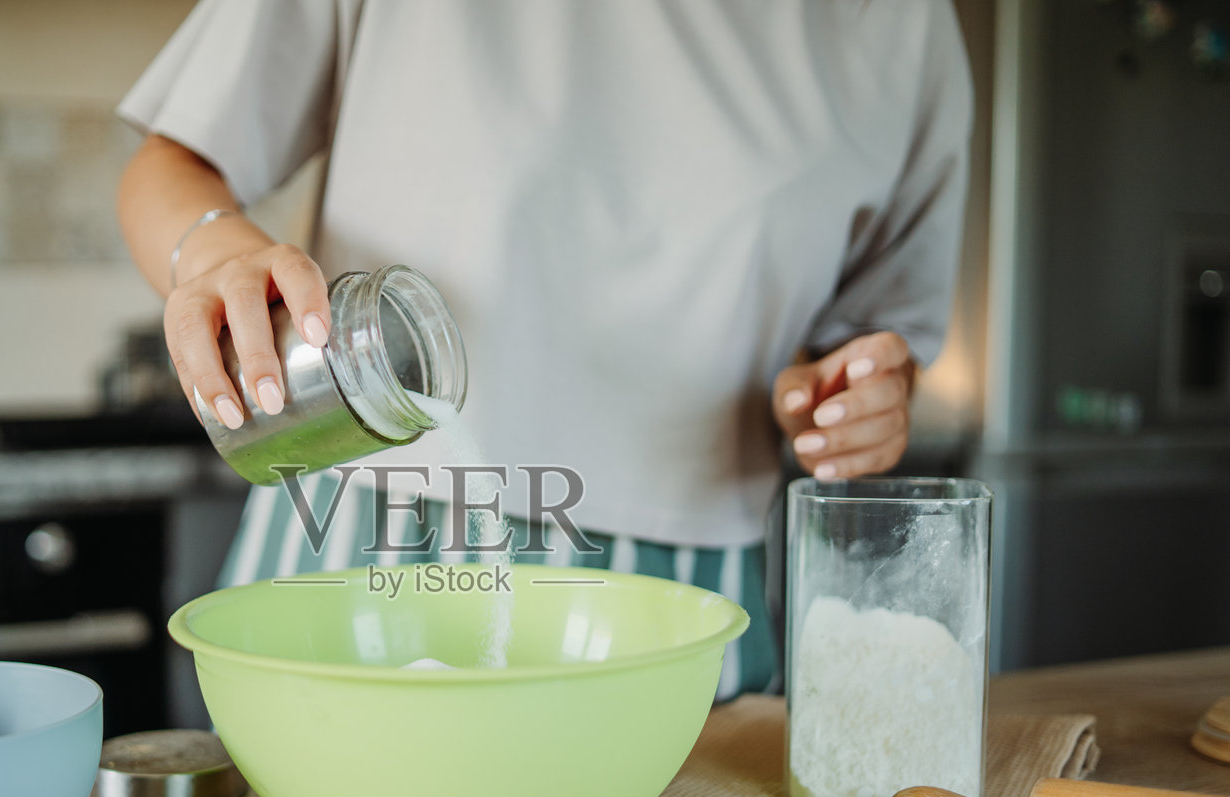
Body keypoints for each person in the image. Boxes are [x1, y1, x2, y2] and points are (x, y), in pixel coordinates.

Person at [116, 0, 972, 700]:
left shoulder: (900, 25)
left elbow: (870, 340)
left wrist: (847, 397)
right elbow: (172, 161)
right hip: (363, 543)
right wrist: (220, 259)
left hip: (683, 595)